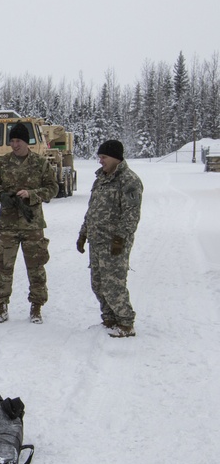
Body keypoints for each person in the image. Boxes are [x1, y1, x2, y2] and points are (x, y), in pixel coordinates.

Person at [0, 122, 58, 324]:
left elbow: (53, 188)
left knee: (36, 266)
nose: (15, 145)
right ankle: (1, 306)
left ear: (27, 142)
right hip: (7, 225)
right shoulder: (2, 163)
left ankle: (37, 306)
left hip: (32, 224)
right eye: (12, 141)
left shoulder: (39, 163)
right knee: (3, 266)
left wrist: (32, 194)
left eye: (18, 141)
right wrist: (1, 196)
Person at [76, 139, 143, 337]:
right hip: (96, 242)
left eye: (104, 157)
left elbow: (131, 214)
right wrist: (83, 233)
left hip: (114, 244)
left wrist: (119, 239)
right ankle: (109, 318)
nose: (100, 161)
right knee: (97, 283)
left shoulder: (129, 180)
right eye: (99, 157)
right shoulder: (101, 180)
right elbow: (92, 210)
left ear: (115, 158)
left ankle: (125, 323)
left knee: (113, 284)